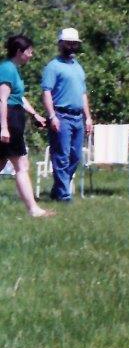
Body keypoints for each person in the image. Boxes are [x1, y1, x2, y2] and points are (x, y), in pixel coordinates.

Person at [0, 35, 54, 217]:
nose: (32, 55)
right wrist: (3, 127)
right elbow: (2, 99)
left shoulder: (13, 69)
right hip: (9, 120)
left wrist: (35, 114)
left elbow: (19, 97)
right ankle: (34, 209)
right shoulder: (7, 69)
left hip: (14, 117)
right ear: (19, 52)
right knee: (21, 165)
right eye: (29, 51)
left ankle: (33, 209)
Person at [41, 27, 93, 202]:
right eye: (68, 43)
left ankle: (57, 190)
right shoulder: (53, 66)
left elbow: (83, 94)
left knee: (75, 157)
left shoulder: (78, 67)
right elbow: (47, 92)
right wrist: (52, 116)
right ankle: (64, 196)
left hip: (78, 117)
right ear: (61, 44)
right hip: (61, 116)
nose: (71, 46)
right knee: (61, 156)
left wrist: (88, 117)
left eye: (74, 44)